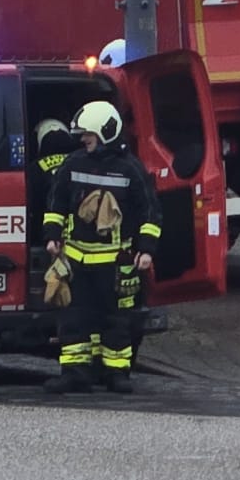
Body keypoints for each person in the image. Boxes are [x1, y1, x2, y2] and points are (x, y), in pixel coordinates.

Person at [40, 100, 162, 395]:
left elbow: (150, 212)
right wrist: (52, 235)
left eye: (88, 134)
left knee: (117, 321)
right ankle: (75, 374)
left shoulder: (130, 169)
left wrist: (146, 249)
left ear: (106, 132)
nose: (83, 139)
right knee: (74, 319)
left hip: (115, 262)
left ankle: (116, 374)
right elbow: (56, 202)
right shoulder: (73, 163)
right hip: (76, 260)